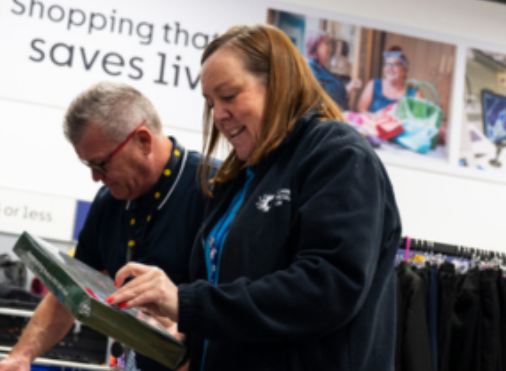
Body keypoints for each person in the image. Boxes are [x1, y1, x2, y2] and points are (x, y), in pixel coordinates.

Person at [106, 24, 402, 370]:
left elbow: (328, 287)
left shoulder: (338, 155)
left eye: (229, 96)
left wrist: (188, 304)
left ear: (279, 84)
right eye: (210, 102)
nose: (217, 116)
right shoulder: (239, 177)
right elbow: (234, 295)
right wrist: (186, 328)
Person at [0, 81, 210, 371]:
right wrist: (21, 356)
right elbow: (68, 292)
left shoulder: (214, 191)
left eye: (102, 164)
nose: (95, 178)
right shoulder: (110, 201)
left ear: (143, 140)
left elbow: (242, 307)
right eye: (87, 166)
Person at [357, 46, 423, 113]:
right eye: (387, 64)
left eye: (395, 64)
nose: (389, 68)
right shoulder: (373, 85)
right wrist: (377, 119)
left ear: (404, 70)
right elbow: (361, 109)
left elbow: (419, 119)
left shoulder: (415, 92)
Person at [304, 32, 360, 111]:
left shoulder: (321, 68)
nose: (330, 48)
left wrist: (349, 88)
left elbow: (330, 92)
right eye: (327, 43)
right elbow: (321, 96)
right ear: (316, 45)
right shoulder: (310, 69)